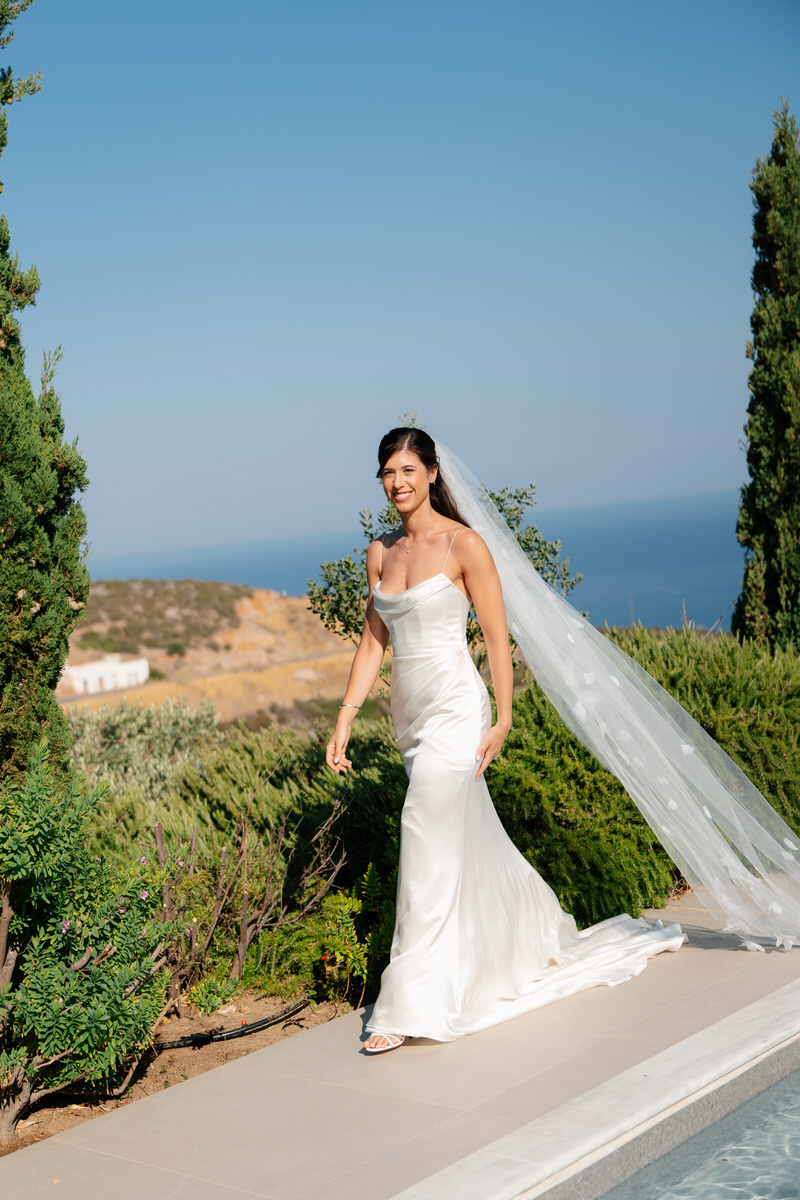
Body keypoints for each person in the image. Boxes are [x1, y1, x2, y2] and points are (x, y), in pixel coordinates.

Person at [326, 428, 684, 1054]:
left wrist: (504, 719)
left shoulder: (465, 546)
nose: (397, 482)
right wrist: (346, 716)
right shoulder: (379, 553)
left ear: (433, 473)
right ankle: (512, 943)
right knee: (452, 841)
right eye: (387, 472)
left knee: (421, 830)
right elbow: (372, 643)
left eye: (409, 468)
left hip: (460, 710)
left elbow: (495, 637)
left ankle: (407, 1002)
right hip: (409, 718)